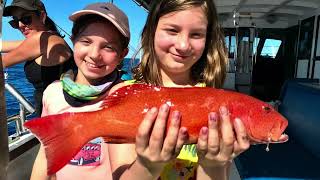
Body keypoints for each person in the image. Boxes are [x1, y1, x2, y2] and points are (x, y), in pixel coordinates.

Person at [108, 0, 251, 179]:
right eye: (172, 30)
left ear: (208, 40)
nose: (183, 45)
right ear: (151, 32)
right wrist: (148, 165)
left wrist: (213, 165)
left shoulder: (215, 103)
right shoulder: (123, 95)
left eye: (196, 34)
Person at [30, 2, 130, 180]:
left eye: (108, 47)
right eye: (86, 41)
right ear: (73, 40)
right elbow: (46, 155)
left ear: (123, 54)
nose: (94, 54)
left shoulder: (124, 96)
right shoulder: (52, 93)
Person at [1, 0, 74, 116]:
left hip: (59, 116)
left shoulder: (43, 40)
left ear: (42, 16)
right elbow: (2, 45)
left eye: (26, 19)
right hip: (51, 112)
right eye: (15, 21)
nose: (20, 25)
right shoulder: (48, 39)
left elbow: (3, 61)